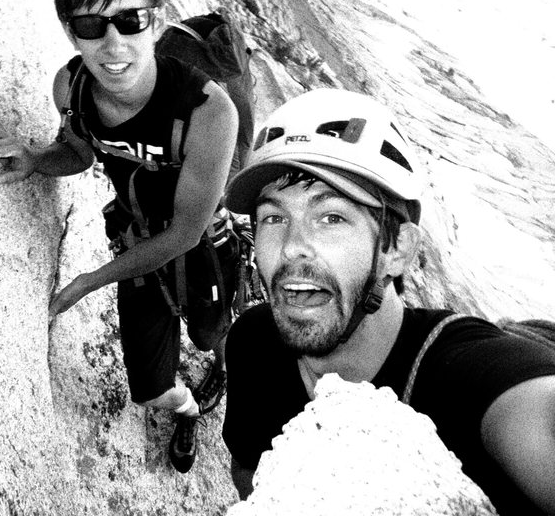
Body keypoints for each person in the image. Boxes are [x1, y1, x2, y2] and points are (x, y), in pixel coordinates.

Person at [0, 0, 239, 473]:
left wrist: (85, 283)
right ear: (72, 33)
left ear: (157, 23)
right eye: (91, 26)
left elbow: (186, 233)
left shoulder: (208, 113)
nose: (113, 45)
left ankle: (221, 361)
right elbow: (78, 150)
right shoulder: (69, 89)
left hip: (197, 244)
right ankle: (189, 408)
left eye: (131, 20)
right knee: (148, 388)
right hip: (138, 241)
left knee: (212, 330)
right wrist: (34, 159)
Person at [221, 88, 555, 514]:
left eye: (331, 218)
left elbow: (536, 416)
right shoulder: (252, 341)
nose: (291, 248)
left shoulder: (465, 375)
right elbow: (250, 473)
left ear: (396, 249)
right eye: (274, 217)